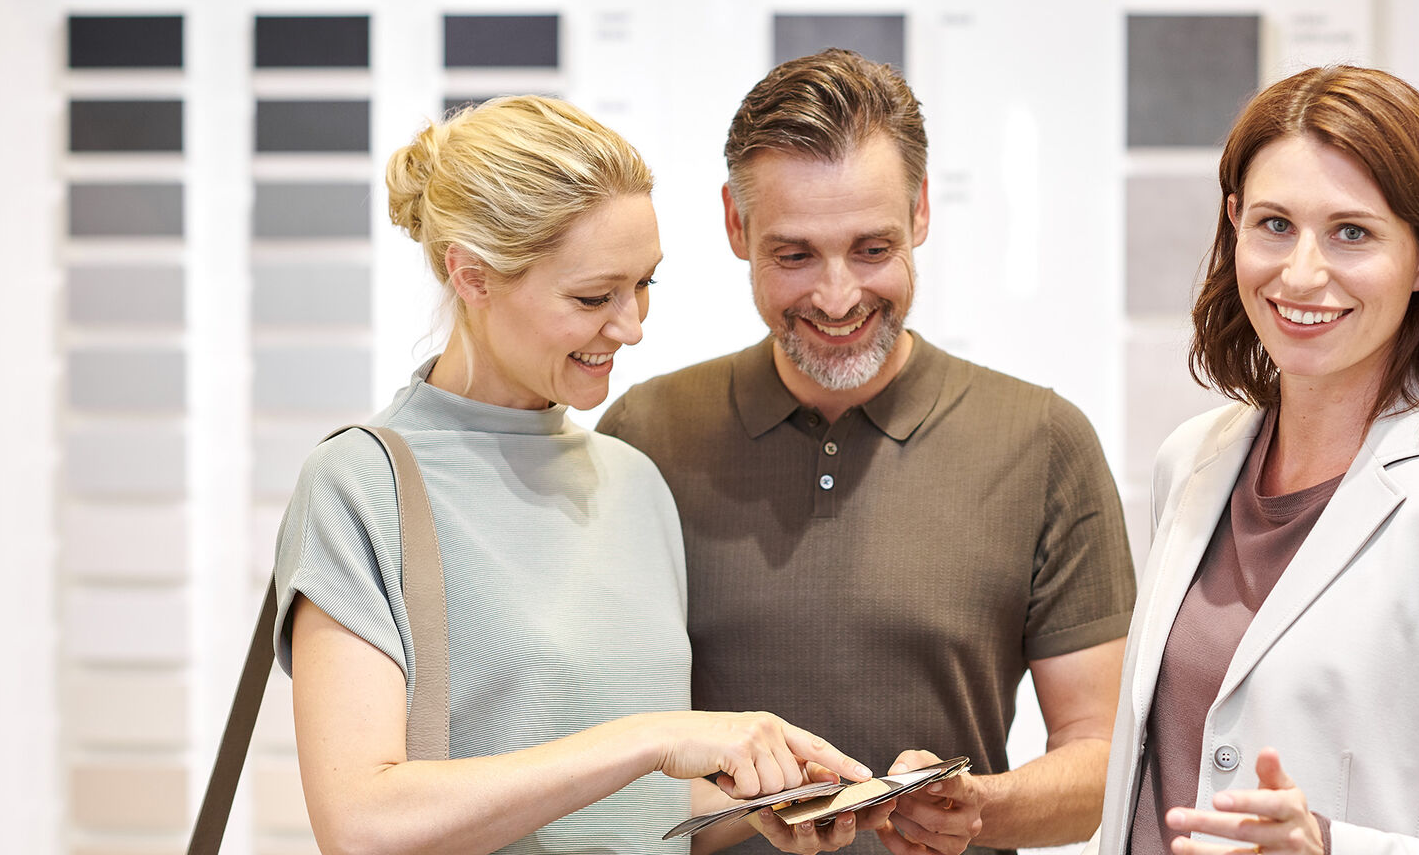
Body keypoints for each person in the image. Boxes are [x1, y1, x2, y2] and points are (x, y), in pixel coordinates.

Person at [272, 96, 871, 855]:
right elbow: (362, 823)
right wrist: (653, 737)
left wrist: (760, 802)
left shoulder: (633, 482)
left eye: (645, 284)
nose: (632, 326)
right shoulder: (361, 484)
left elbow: (620, 814)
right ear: (472, 275)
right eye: (594, 297)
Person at [597, 50, 1139, 855]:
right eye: (795, 255)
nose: (839, 296)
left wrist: (977, 805)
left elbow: (1103, 760)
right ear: (735, 226)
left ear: (921, 210)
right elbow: (595, 750)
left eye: (872, 249)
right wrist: (734, 809)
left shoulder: (1044, 441)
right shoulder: (646, 434)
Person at [1091, 66, 1419, 855]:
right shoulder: (1190, 462)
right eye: (1274, 225)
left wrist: (1330, 848)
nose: (1301, 274)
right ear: (1233, 224)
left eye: (1352, 233)